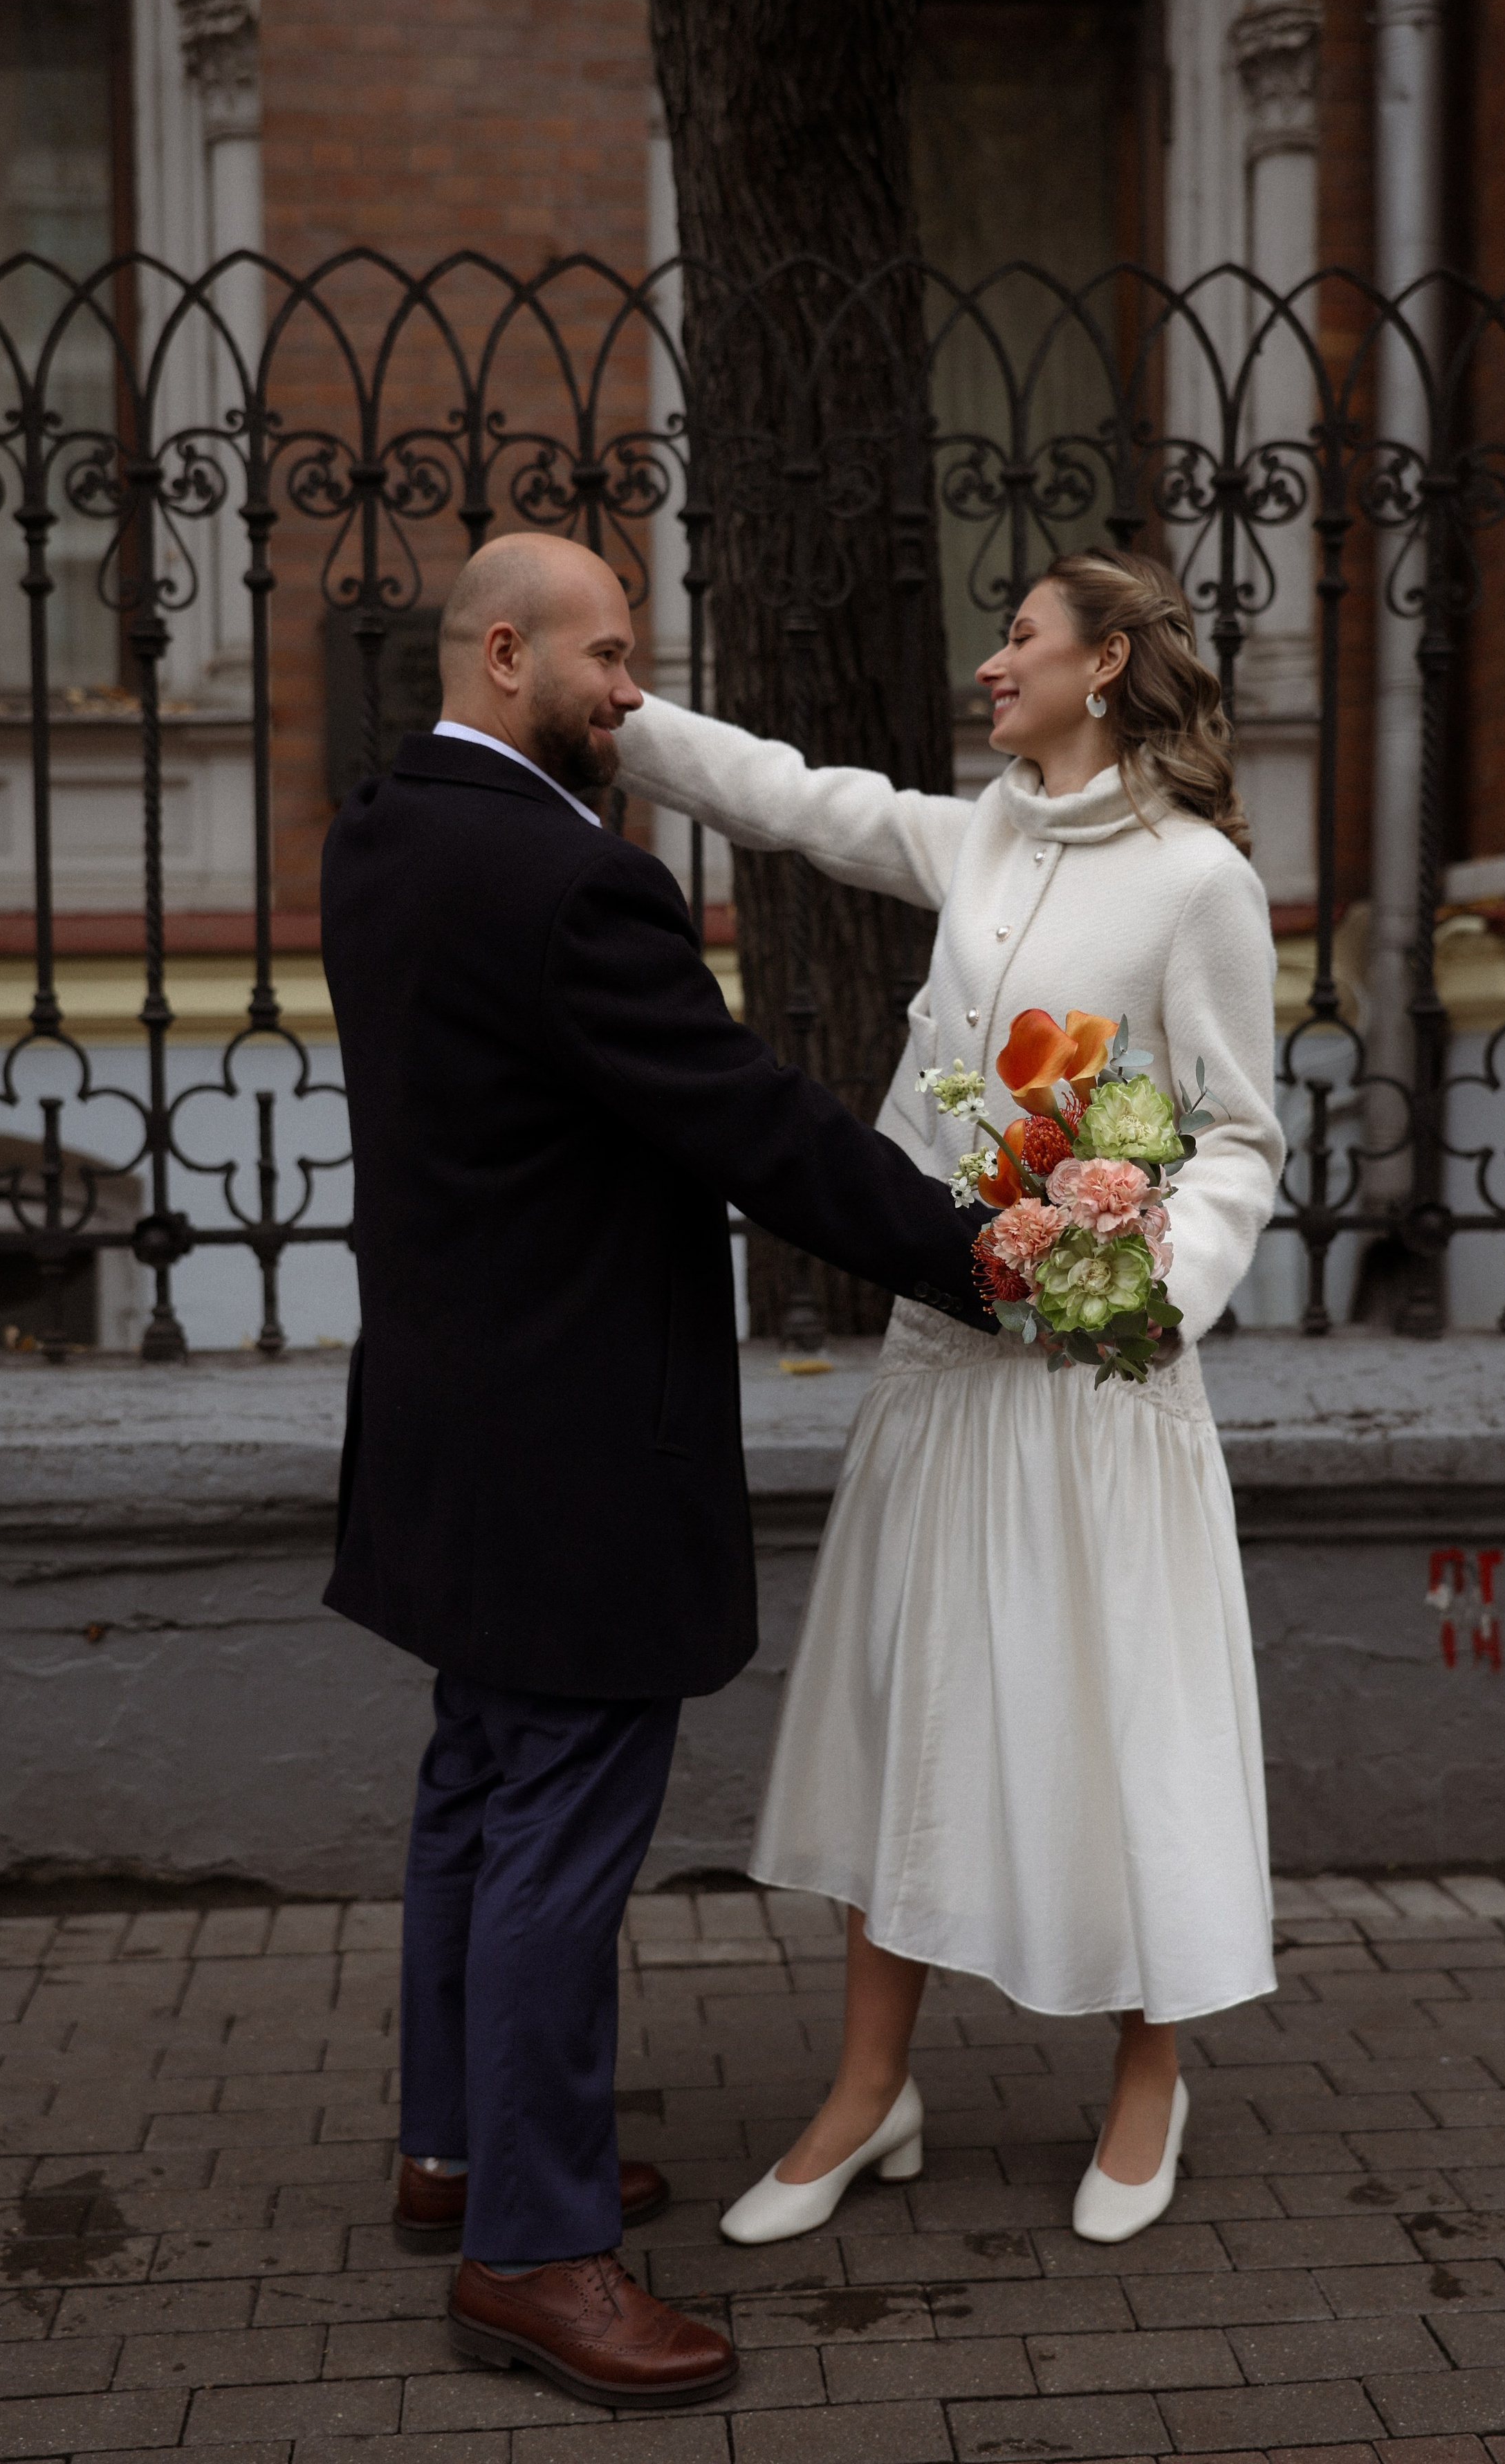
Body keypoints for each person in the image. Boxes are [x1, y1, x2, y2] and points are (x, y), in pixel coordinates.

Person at [320, 532, 995, 2406]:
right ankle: (535, 2252)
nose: (634, 689)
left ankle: (455, 2150)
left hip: (450, 1423)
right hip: (571, 1448)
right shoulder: (573, 886)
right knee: (554, 1829)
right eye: (610, 657)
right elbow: (752, 1126)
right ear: (505, 649)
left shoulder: (380, 838)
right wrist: (978, 1255)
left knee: (475, 1786)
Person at [612, 547, 1284, 2247]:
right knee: (907, 1711)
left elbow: (1237, 1137)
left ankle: (1150, 2076)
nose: (993, 667)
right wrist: (623, 718)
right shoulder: (980, 833)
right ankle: (868, 2088)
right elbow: (795, 801)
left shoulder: (1197, 880)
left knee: (1118, 1721)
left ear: (1105, 662)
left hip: (1094, 1384)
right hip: (943, 1361)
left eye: (1020, 639)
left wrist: (1144, 1282)